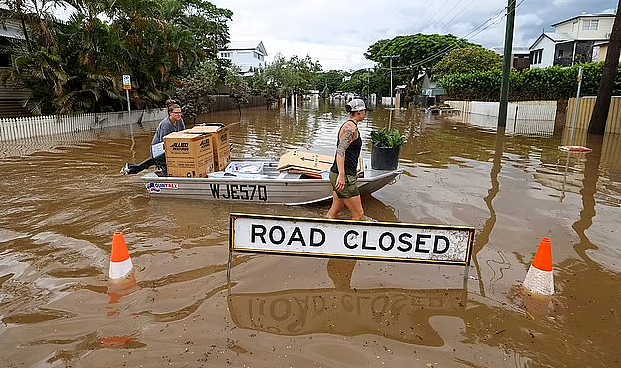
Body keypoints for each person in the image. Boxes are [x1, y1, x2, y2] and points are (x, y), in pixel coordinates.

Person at [326, 98, 366, 220]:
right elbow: (340, 151)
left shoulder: (350, 125)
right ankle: (353, 239)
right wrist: (342, 175)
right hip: (343, 177)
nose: (366, 113)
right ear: (358, 112)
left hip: (338, 174)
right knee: (359, 215)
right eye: (364, 111)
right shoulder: (351, 129)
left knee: (334, 212)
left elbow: (349, 152)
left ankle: (326, 229)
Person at [122, 103, 186, 175]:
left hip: (170, 148)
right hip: (159, 149)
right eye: (176, 113)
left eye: (180, 112)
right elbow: (164, 142)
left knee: (148, 163)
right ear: (170, 113)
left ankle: (130, 169)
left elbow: (183, 134)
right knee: (165, 168)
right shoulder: (166, 125)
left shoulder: (180, 121)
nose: (179, 115)